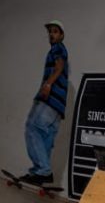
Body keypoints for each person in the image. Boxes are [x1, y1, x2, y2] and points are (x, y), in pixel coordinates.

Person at [18, 20, 70, 185]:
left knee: (32, 128)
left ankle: (42, 170)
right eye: (50, 32)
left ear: (61, 35)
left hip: (50, 99)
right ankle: (42, 173)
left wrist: (47, 84)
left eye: (55, 31)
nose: (51, 34)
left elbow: (59, 67)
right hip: (58, 106)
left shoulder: (58, 48)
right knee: (46, 138)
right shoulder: (58, 49)